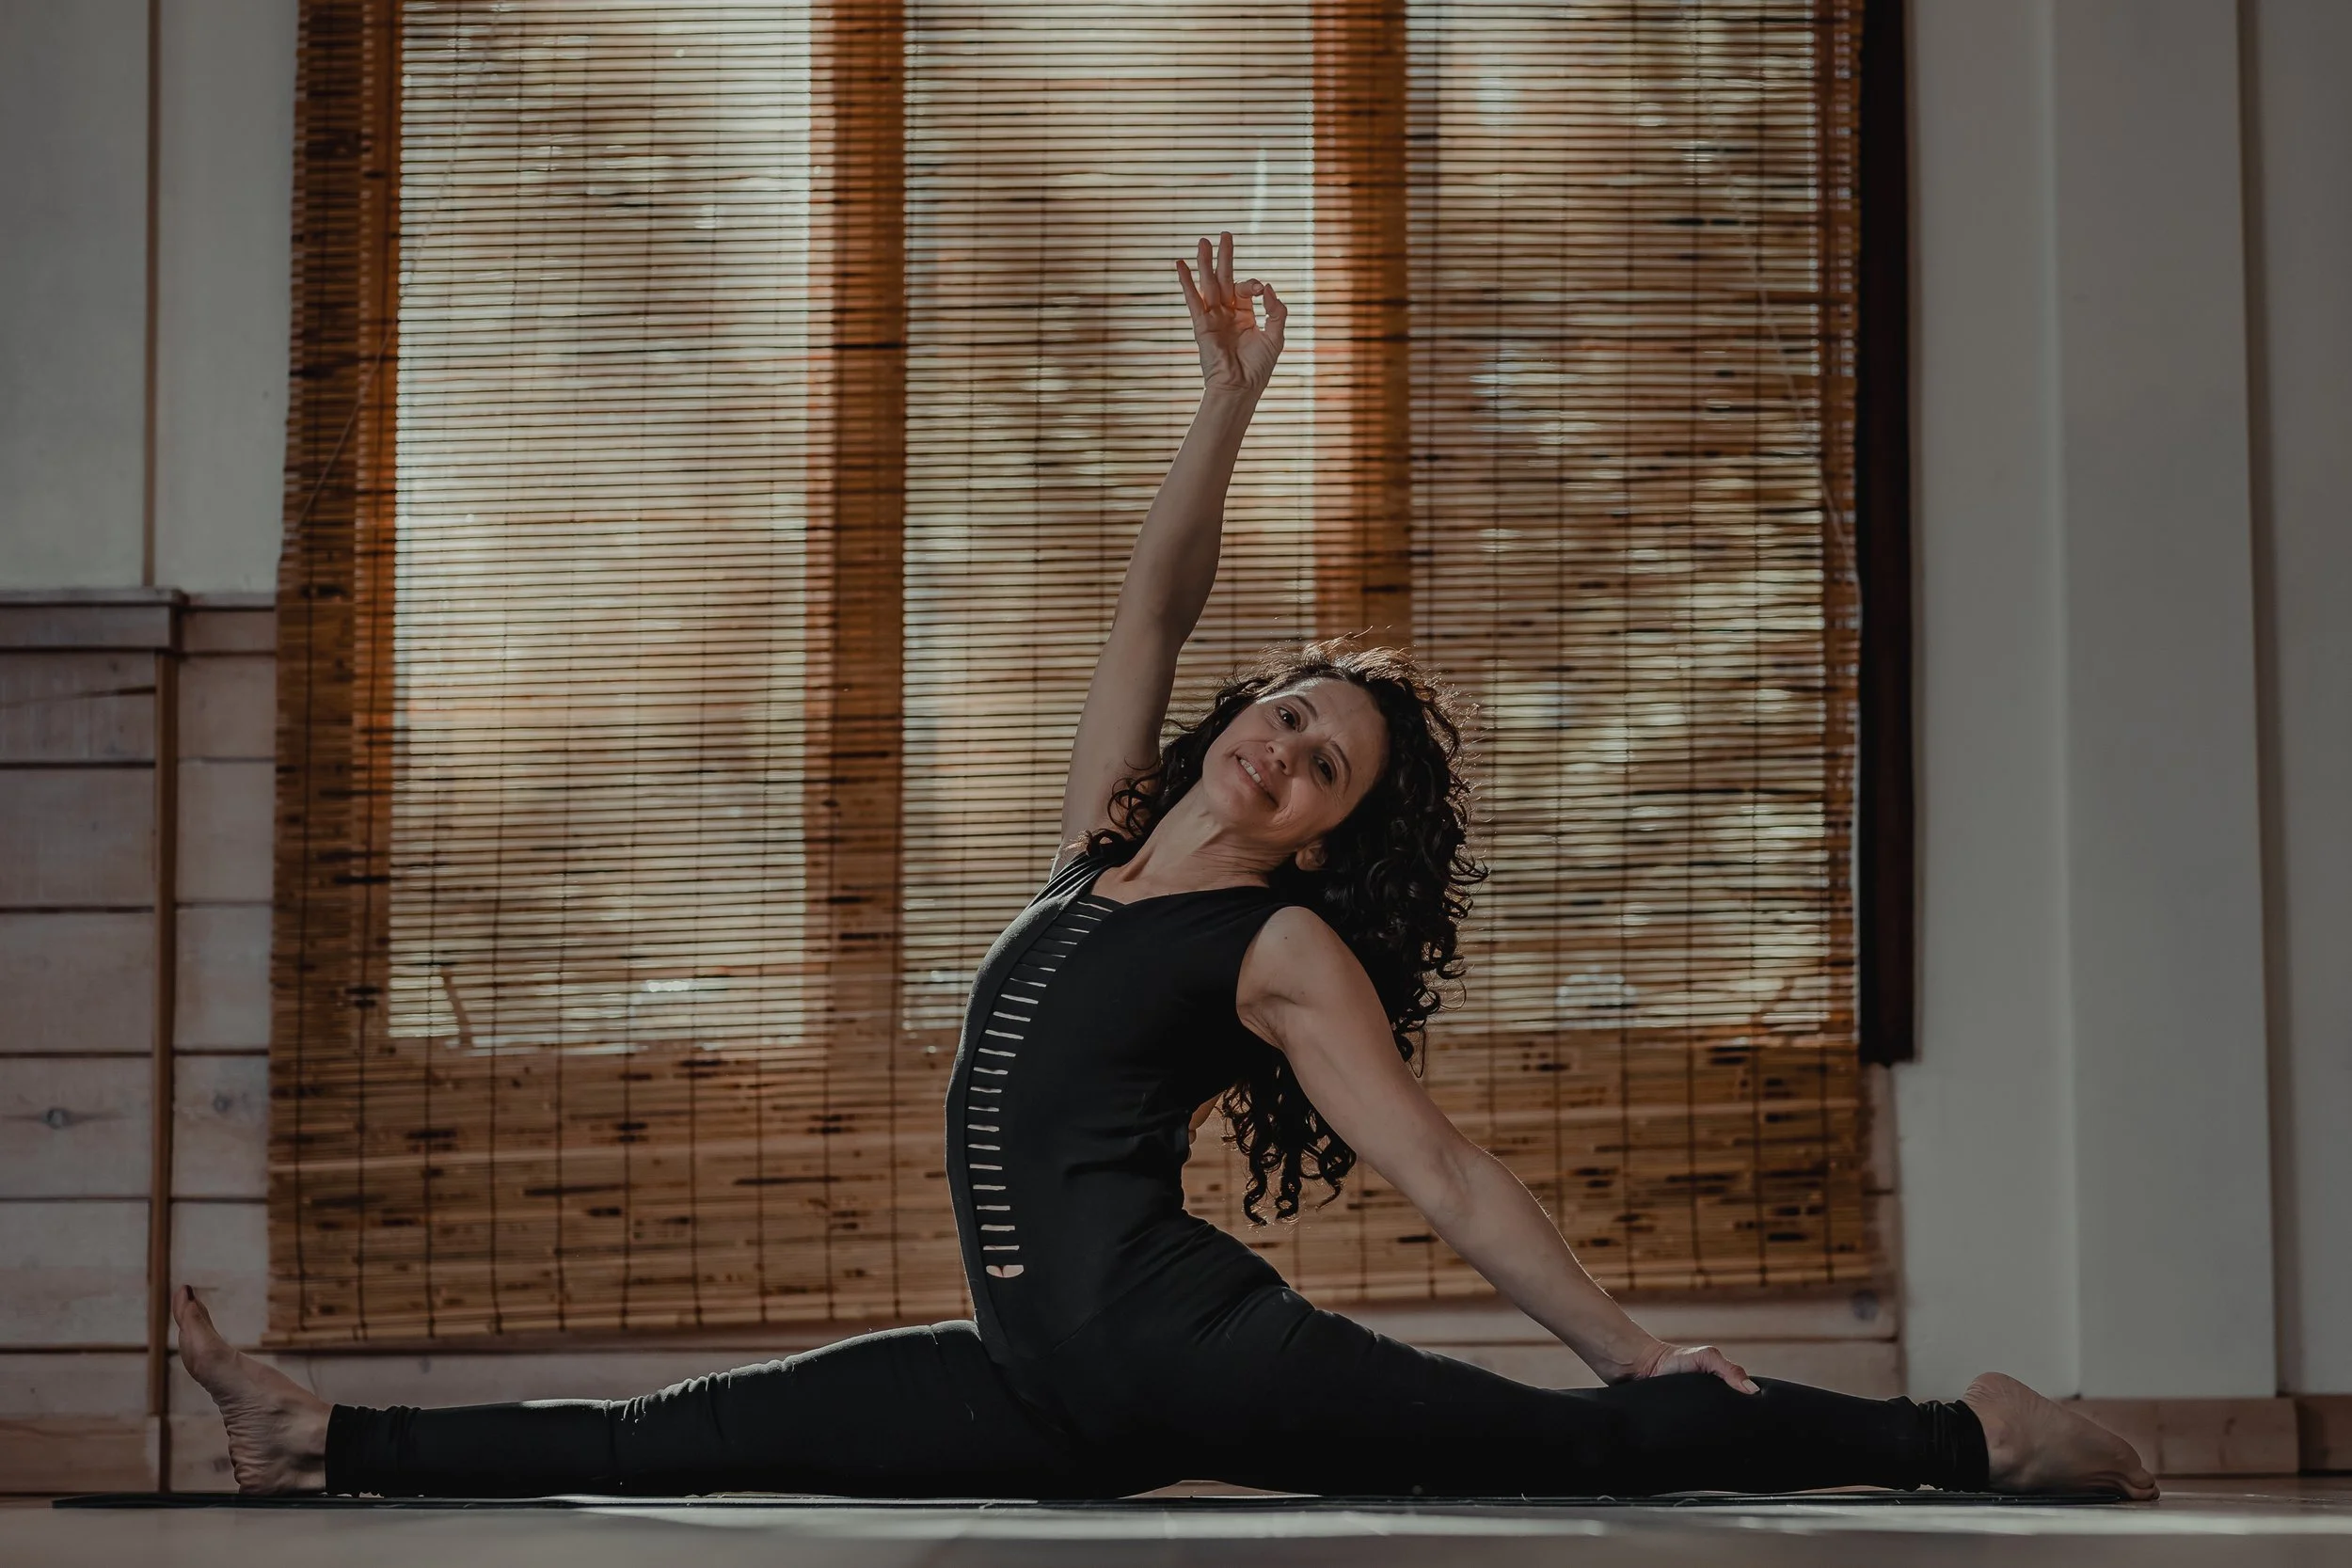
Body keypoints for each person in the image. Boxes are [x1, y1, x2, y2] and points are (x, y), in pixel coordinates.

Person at [177, 233, 2155, 1502]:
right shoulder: (1100, 842)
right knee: (675, 1424)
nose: (1286, 748)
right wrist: (1227, 401)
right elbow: (1146, 604)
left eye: (1328, 763)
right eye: (1286, 711)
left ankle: (1981, 1437)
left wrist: (1622, 1333)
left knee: (1586, 1446)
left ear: (1327, 826)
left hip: (1179, 1352)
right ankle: (317, 1429)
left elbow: (1438, 1163)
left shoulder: (1279, 943)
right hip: (1038, 1374)